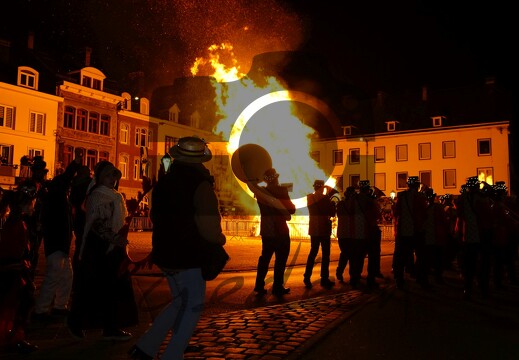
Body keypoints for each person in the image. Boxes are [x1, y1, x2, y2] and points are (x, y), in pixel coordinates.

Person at [129, 136, 226, 360]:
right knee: (192, 306)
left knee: (178, 303)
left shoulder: (164, 181)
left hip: (165, 251)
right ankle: (172, 355)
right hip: (189, 255)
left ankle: (145, 347)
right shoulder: (200, 184)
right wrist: (219, 240)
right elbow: (209, 224)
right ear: (202, 159)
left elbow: (155, 215)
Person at [72, 160, 138, 340]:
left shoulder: (115, 196)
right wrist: (114, 238)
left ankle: (112, 326)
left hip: (112, 249)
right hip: (100, 249)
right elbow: (96, 224)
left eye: (114, 176)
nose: (112, 179)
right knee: (102, 289)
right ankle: (101, 326)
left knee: (114, 290)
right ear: (100, 177)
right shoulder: (98, 196)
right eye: (108, 176)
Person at [32, 152, 82, 319]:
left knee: (67, 275)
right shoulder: (56, 194)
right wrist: (74, 163)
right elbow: (65, 177)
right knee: (53, 276)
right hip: (56, 242)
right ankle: (41, 309)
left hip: (62, 243)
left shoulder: (59, 196)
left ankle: (60, 305)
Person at [0, 182, 39, 353]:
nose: (34, 207)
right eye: (33, 203)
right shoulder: (17, 224)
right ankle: (14, 339)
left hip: (14, 270)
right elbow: (12, 251)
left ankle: (14, 337)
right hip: (13, 271)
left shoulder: (15, 222)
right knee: (17, 307)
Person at [247, 167, 296, 297]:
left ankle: (259, 285)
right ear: (276, 178)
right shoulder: (281, 191)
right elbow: (291, 210)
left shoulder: (261, 192)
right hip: (280, 230)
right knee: (280, 260)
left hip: (267, 230)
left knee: (265, 259)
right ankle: (277, 286)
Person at [455, 176, 493, 299]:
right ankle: (483, 287)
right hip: (481, 234)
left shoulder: (462, 199)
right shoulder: (482, 199)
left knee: (469, 263)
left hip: (468, 235)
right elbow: (487, 215)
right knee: (483, 263)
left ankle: (468, 287)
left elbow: (459, 214)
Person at [392, 176, 428, 290]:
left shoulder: (401, 196)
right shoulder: (420, 196)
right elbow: (425, 213)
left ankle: (399, 280)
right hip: (417, 230)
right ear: (417, 186)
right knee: (421, 256)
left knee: (400, 256)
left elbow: (396, 213)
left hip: (403, 231)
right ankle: (421, 279)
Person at [303, 180, 337, 289]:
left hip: (314, 228)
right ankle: (324, 278)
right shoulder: (326, 199)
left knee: (313, 253)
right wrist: (332, 204)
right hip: (324, 228)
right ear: (322, 188)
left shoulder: (310, 198)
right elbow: (332, 213)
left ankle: (307, 277)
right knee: (326, 254)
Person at [357, 180, 383, 288]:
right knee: (373, 255)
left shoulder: (355, 199)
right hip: (370, 230)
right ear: (368, 189)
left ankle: (356, 276)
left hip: (358, 230)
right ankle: (370, 278)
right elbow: (377, 215)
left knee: (359, 255)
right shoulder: (371, 200)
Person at [336, 186, 357, 283]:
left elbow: (338, 215)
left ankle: (340, 271)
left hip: (342, 232)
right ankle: (352, 275)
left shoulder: (340, 204)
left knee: (344, 253)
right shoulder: (355, 205)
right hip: (352, 232)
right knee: (352, 255)